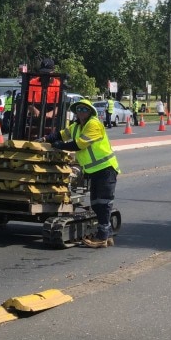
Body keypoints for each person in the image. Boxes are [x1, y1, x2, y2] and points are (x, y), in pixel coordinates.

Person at [42, 99, 120, 248]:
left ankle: (102, 238)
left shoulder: (94, 124)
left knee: (103, 203)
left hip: (106, 168)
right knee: (97, 204)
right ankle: (107, 236)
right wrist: (46, 138)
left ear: (90, 111)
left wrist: (61, 146)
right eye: (79, 109)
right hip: (94, 170)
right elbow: (62, 134)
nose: (81, 112)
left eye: (84, 109)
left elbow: (80, 144)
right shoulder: (76, 126)